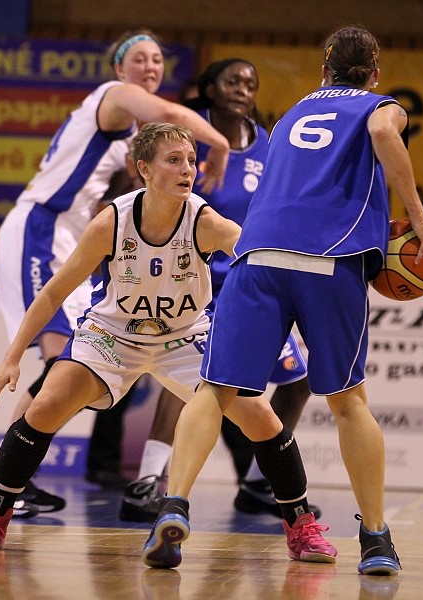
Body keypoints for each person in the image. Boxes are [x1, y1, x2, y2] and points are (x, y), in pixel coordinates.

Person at [142, 25, 423, 576]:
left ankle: (174, 504)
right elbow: (383, 131)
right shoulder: (379, 106)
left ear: (323, 71)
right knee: (349, 403)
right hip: (329, 257)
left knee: (214, 391)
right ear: (375, 73)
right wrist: (418, 216)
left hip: (257, 256)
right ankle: (376, 539)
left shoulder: (290, 116)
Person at [0, 29, 230, 517]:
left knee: (64, 360)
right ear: (119, 69)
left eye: (158, 60)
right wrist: (222, 144)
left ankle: (6, 482)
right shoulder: (113, 98)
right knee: (58, 359)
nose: (151, 67)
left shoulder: (134, 137)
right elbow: (172, 115)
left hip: (67, 235)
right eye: (140, 59)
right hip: (40, 229)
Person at [119, 59, 319, 523]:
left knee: (300, 378)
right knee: (191, 373)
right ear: (210, 89)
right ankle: (147, 482)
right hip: (197, 280)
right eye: (233, 81)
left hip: (251, 280)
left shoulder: (265, 141)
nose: (243, 89)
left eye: (251, 83)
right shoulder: (189, 138)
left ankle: (259, 483)